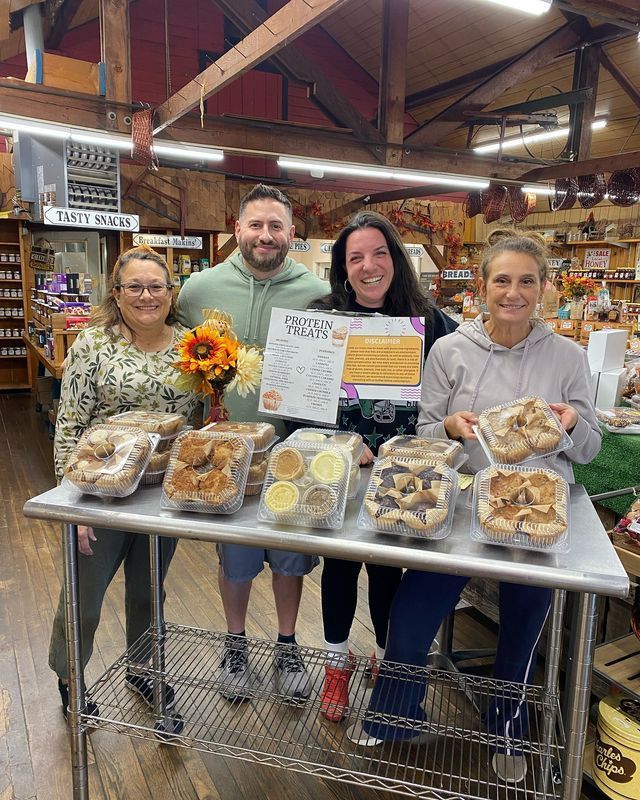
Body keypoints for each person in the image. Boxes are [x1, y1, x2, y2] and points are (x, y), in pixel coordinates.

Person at [353, 229, 601, 784]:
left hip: (536, 512)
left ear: (544, 289)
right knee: (413, 612)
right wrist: (446, 426)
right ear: (483, 287)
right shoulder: (449, 350)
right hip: (461, 504)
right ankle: (395, 711)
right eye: (502, 280)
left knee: (522, 622)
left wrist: (570, 425)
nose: (513, 293)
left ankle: (505, 725)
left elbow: (589, 449)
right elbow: (421, 431)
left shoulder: (568, 357)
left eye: (527, 282)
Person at [177, 184, 328, 701]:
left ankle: (288, 646)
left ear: (292, 234)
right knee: (235, 560)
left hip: (294, 457)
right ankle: (235, 644)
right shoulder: (197, 290)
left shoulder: (316, 293)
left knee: (290, 560)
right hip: (226, 458)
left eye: (277, 226)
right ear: (237, 229)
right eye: (256, 225)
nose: (266, 235)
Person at [309, 211, 457, 722]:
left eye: (380, 253)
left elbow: (460, 376)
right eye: (356, 257)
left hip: (406, 471)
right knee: (340, 565)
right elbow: (300, 402)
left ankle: (382, 661)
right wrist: (343, 441)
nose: (369, 266)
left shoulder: (432, 321)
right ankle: (335, 663)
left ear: (396, 258)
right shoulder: (321, 317)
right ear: (342, 267)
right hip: (342, 467)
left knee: (388, 569)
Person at [49, 245, 198, 718]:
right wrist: (71, 509)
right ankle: (70, 676)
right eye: (134, 286)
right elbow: (69, 424)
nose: (147, 296)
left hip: (164, 495)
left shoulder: (196, 346)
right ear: (117, 293)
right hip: (99, 492)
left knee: (148, 591)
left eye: (156, 286)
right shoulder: (93, 345)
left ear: (172, 292)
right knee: (85, 596)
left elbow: (198, 416)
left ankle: (144, 668)